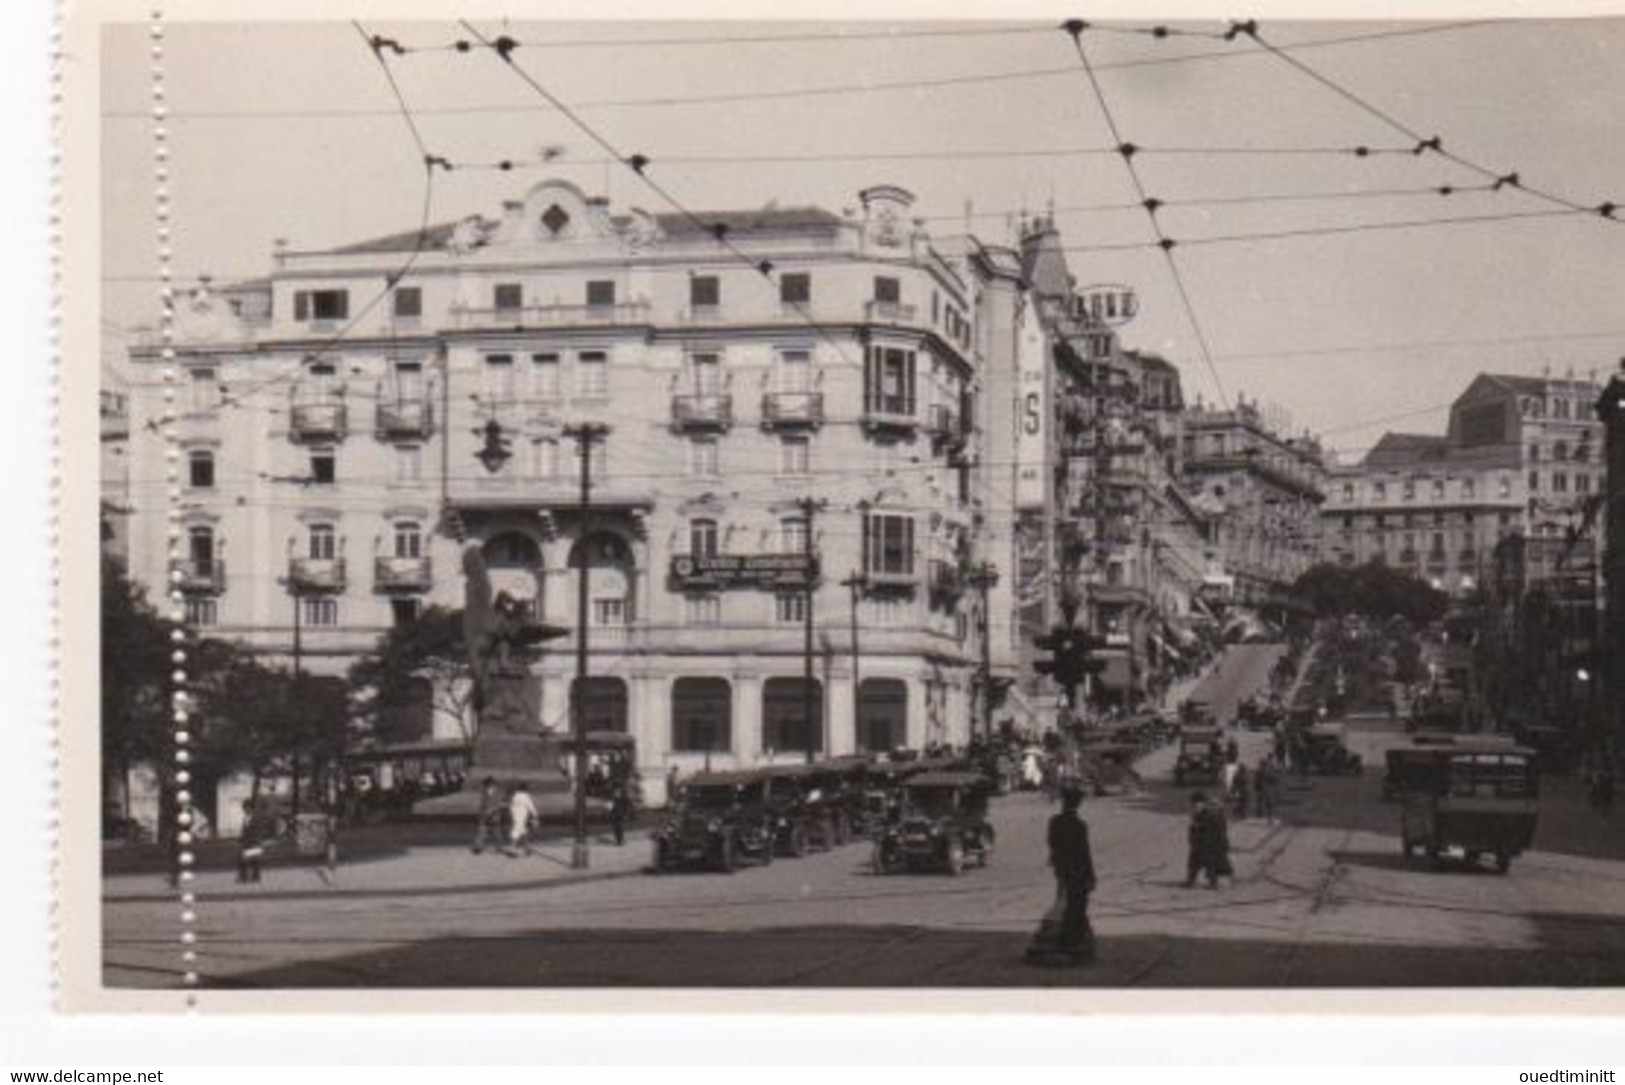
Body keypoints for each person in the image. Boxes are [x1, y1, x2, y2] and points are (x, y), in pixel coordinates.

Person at [1045, 786, 1097, 961]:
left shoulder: (1054, 821)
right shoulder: (1080, 826)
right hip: (1077, 870)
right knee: (1077, 904)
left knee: (1064, 899)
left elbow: (1051, 843)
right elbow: (1084, 853)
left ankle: (1072, 936)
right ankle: (1070, 940)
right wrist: (1091, 876)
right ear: (1079, 804)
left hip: (1061, 868)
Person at [1184, 792, 1233, 890]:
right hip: (1201, 844)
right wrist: (1193, 839)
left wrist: (1199, 829)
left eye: (1197, 805)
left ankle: (1214, 883)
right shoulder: (1198, 814)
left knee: (1212, 863)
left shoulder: (1211, 815)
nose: (1194, 807)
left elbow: (1219, 831)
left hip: (1213, 845)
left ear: (1203, 804)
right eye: (1193, 805)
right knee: (1193, 862)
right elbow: (1194, 829)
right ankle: (1191, 880)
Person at [237, 800, 271, 885]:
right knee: (251, 861)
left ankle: (245, 877)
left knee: (246, 860)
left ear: (251, 808)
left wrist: (258, 841)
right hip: (247, 843)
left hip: (255, 842)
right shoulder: (245, 818)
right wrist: (241, 840)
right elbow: (244, 831)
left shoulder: (256, 818)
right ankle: (252, 877)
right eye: (244, 808)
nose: (245, 810)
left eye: (247, 808)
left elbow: (258, 831)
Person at [472, 776, 503, 855]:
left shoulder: (497, 793)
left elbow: (497, 804)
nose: (484, 786)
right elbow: (482, 804)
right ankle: (478, 847)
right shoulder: (485, 792)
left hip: (494, 815)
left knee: (496, 832)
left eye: (486, 784)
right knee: (482, 831)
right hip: (485, 815)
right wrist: (481, 813)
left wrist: (491, 811)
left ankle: (499, 847)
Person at [506, 782, 538, 857]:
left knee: (523, 832)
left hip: (515, 816)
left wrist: (512, 814)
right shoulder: (525, 796)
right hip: (522, 816)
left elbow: (510, 806)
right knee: (517, 832)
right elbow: (530, 806)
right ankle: (512, 849)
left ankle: (527, 848)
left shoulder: (514, 796)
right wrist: (535, 814)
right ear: (525, 789)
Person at [1254, 753, 1281, 825]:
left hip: (1268, 787)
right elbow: (1268, 776)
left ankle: (1269, 817)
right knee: (1268, 803)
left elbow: (1273, 777)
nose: (1272, 760)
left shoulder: (1270, 767)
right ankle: (1268, 817)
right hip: (1267, 787)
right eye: (1271, 759)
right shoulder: (1267, 767)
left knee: (1269, 803)